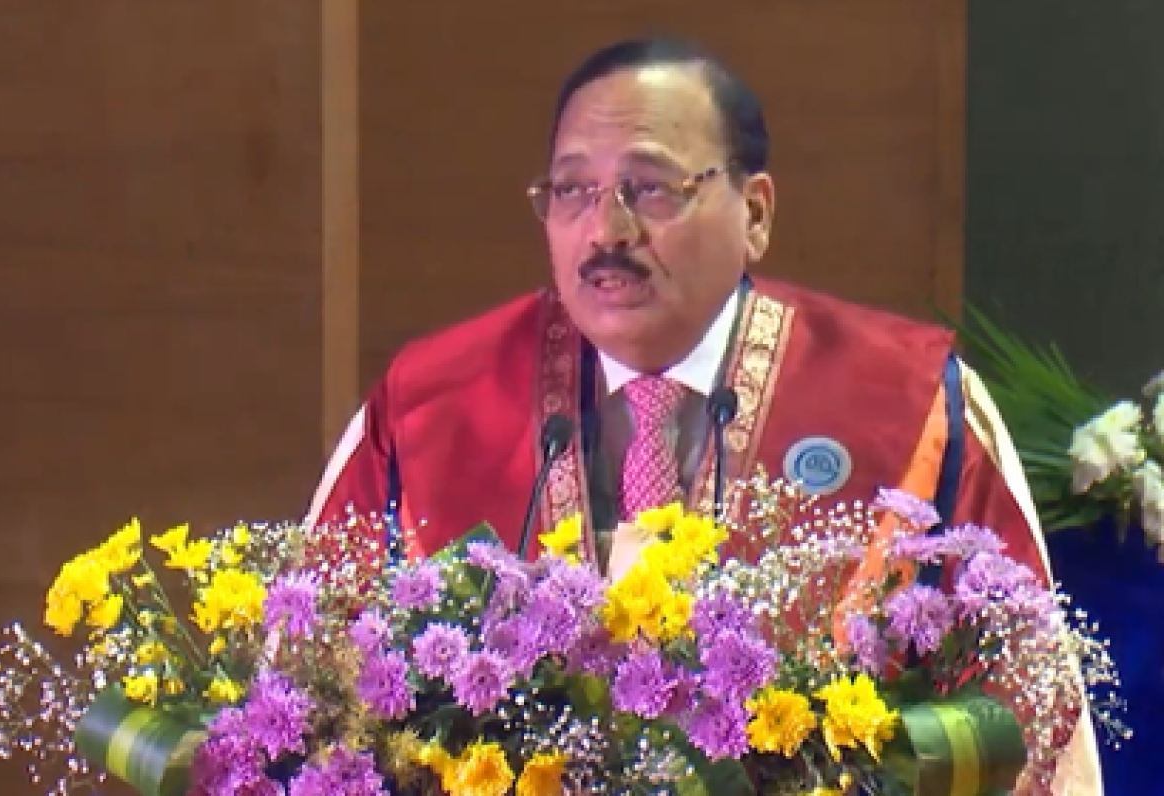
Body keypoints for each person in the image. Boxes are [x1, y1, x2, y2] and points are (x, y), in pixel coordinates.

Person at [306, 37, 1101, 793]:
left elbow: (1027, 711)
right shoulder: (431, 406)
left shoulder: (912, 400)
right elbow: (308, 698)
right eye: (573, 191)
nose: (607, 231)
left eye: (651, 188)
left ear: (755, 213)